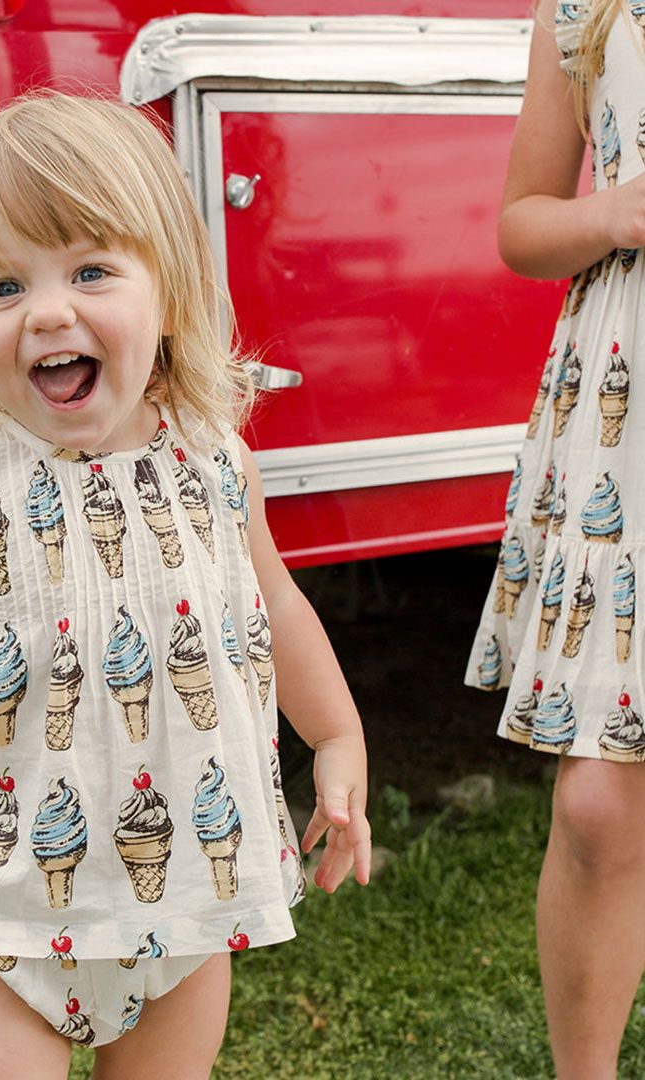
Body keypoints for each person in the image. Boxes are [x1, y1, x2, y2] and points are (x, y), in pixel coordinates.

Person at [0, 91, 370, 1080]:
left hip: (185, 898)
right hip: (6, 911)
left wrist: (336, 735)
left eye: (89, 271)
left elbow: (275, 606)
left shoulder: (214, 460)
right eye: (2, 286)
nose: (48, 311)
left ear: (169, 287)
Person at [465, 2, 645, 1076]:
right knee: (598, 806)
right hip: (627, 424)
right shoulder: (584, 8)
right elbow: (522, 224)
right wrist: (613, 212)